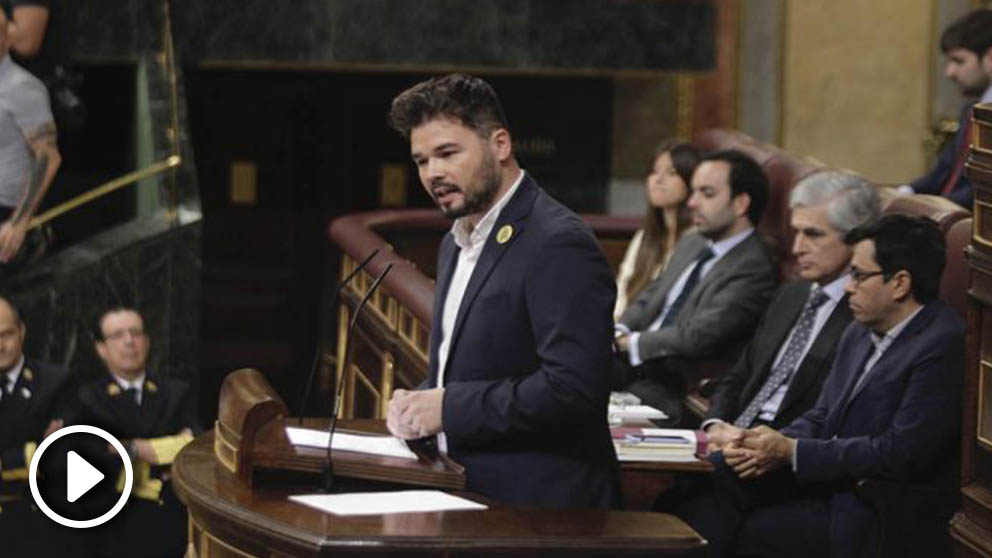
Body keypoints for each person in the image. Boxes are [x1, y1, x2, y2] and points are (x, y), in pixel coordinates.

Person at [383, 73, 619, 508]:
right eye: (421, 161)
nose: (433, 173)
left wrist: (448, 408)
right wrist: (418, 401)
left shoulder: (557, 241)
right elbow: (474, 367)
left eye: (448, 153)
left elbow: (574, 389)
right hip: (460, 487)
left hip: (540, 507)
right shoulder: (454, 240)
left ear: (501, 145)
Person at [680, 214, 964, 558]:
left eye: (858, 276)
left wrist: (793, 452)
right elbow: (822, 415)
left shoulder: (942, 343)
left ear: (900, 283)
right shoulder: (859, 330)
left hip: (872, 504)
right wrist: (762, 441)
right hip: (823, 480)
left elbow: (901, 453)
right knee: (706, 479)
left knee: (741, 523)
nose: (847, 287)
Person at [702, 172, 880, 446]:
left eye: (813, 234)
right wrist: (715, 426)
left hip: (787, 454)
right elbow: (740, 374)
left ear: (856, 239)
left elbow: (827, 414)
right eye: (796, 232)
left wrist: (766, 446)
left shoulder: (864, 313)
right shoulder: (791, 294)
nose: (797, 248)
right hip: (735, 437)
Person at [614, 150, 778, 425]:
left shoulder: (753, 268)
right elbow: (652, 295)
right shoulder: (694, 241)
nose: (691, 203)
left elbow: (697, 336)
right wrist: (620, 329)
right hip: (631, 361)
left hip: (671, 382)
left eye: (707, 193)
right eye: (693, 192)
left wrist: (628, 344)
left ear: (740, 204)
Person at [74, 307, 201, 558]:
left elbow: (195, 445)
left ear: (147, 341)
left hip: (169, 520)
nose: (129, 341)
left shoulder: (177, 391)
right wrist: (164, 451)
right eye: (118, 335)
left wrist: (132, 448)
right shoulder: (87, 397)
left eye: (136, 333)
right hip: (112, 524)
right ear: (101, 348)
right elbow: (96, 453)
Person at [0, 294, 77, 557]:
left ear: (21, 331)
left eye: (5, 334)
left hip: (37, 525)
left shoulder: (56, 381)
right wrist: (33, 451)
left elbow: (60, 456)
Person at [903, 9, 992, 208]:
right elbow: (944, 171)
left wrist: (932, 208)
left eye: (959, 61)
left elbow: (982, 189)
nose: (949, 72)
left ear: (990, 57)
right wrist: (904, 194)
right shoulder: (970, 110)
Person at [0, 0, 60, 266]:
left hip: (6, 208)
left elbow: (47, 157)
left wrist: (19, 221)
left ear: (5, 38)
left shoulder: (22, 87)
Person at [614, 140, 700, 320]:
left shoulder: (697, 239)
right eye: (653, 171)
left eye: (672, 173)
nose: (658, 180)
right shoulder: (645, 235)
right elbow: (622, 289)